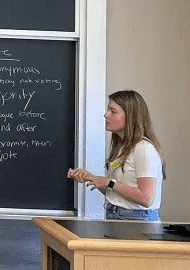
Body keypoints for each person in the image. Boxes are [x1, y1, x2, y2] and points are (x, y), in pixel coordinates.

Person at [69, 90, 165, 221]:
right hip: (117, 215)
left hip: (137, 220)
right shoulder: (121, 148)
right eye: (108, 110)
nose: (106, 115)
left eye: (113, 111)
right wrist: (93, 178)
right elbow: (117, 193)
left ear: (131, 116)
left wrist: (109, 182)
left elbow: (146, 198)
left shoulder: (143, 149)